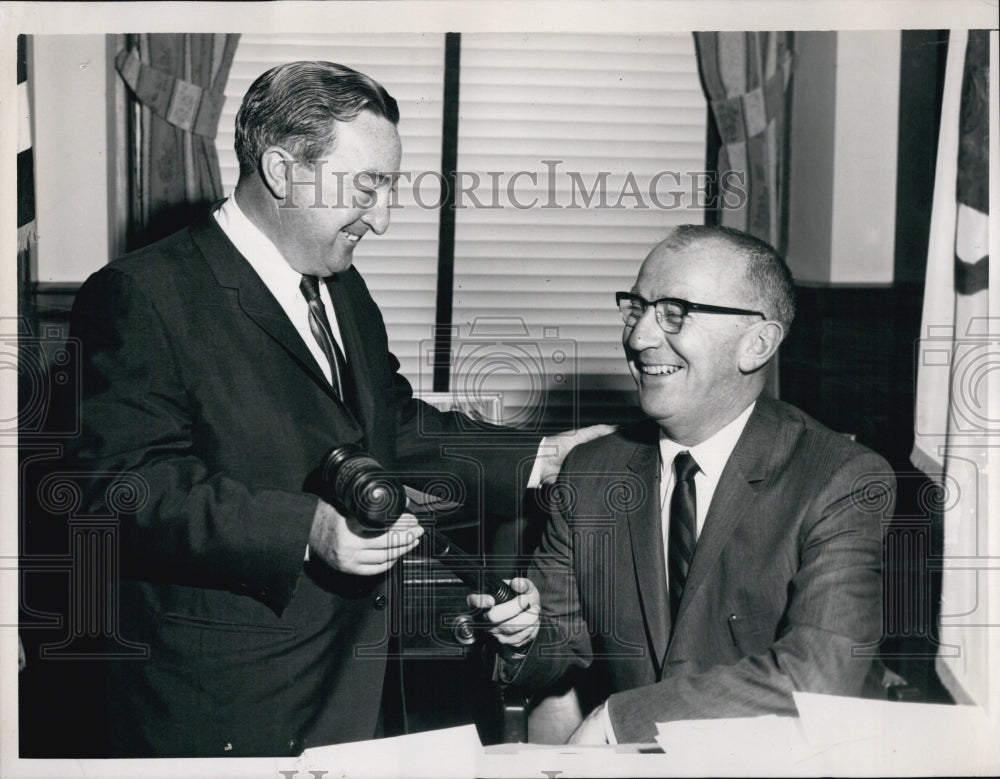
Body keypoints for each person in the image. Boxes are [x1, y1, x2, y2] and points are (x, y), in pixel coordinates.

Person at [66, 60, 610, 757]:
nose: (381, 219)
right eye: (366, 187)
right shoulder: (141, 294)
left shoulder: (340, 286)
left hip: (349, 691)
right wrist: (306, 528)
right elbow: (117, 489)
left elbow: (389, 423)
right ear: (282, 170)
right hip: (223, 707)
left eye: (389, 189)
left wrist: (540, 457)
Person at [473, 224, 896, 744]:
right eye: (636, 308)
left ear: (757, 344)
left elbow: (820, 677)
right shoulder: (592, 472)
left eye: (674, 312)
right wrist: (520, 638)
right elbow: (557, 643)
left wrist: (619, 720)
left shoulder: (841, 479)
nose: (638, 338)